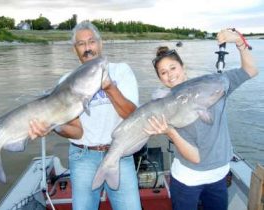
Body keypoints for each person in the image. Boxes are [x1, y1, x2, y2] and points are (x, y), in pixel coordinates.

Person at [28, 21, 142, 210]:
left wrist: (110, 88)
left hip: (120, 153)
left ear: (100, 43)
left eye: (91, 41)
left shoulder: (121, 71)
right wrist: (52, 126)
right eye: (81, 44)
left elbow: (132, 115)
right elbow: (76, 131)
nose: (87, 48)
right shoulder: (66, 82)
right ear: (75, 50)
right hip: (83, 157)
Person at [144, 29, 258, 210]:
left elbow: (250, 70)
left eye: (173, 68)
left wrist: (239, 42)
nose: (170, 75)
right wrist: (170, 132)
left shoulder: (215, 82)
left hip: (219, 176)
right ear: (160, 79)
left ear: (183, 67)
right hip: (188, 180)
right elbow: (195, 158)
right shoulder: (166, 106)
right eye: (163, 73)